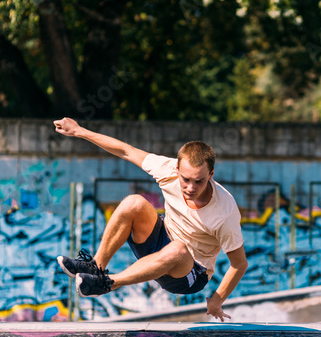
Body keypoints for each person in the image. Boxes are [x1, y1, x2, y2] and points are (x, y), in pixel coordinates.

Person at [53, 117, 247, 322]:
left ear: (211, 174)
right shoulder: (168, 170)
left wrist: (216, 300)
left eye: (199, 181)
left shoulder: (224, 212)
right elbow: (125, 150)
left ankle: (108, 283)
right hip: (161, 241)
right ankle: (96, 266)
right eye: (186, 180)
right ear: (177, 170)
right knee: (133, 202)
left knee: (178, 249)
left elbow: (239, 264)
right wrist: (79, 131)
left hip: (191, 275)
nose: (191, 188)